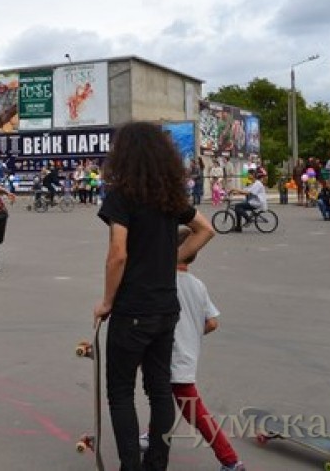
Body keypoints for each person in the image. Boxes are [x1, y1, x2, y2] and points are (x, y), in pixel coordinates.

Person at [94, 122, 214, 471]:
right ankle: (156, 463)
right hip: (166, 310)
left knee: (120, 392)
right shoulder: (170, 197)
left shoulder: (121, 196)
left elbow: (118, 254)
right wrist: (170, 260)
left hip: (132, 308)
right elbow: (206, 229)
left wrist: (106, 302)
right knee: (159, 389)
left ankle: (130, 465)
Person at [167, 227, 244, 471]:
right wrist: (190, 333)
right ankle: (152, 433)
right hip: (187, 355)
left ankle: (231, 461)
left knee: (194, 412)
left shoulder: (165, 282)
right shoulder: (197, 285)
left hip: (171, 357)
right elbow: (211, 323)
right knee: (161, 397)